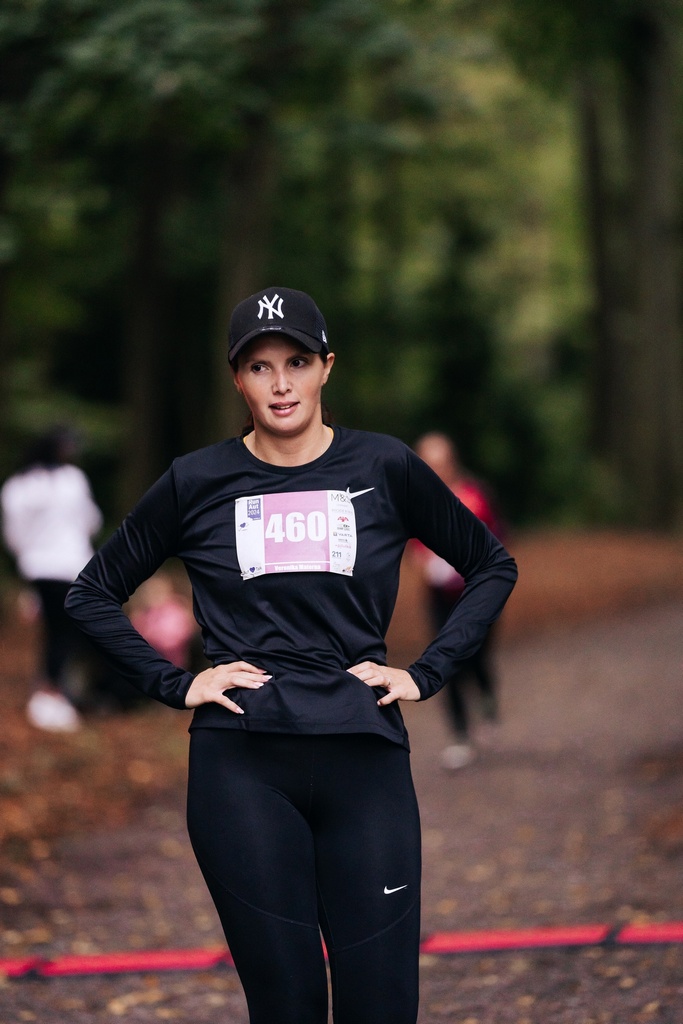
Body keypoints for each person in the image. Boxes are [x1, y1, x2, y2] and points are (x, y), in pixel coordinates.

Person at [65, 287, 517, 1024]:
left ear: (326, 367)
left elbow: (491, 565)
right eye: (259, 366)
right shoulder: (195, 480)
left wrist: (425, 672)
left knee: (381, 1006)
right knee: (288, 1006)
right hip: (241, 770)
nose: (280, 384)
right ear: (236, 379)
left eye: (297, 362)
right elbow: (90, 594)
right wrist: (176, 684)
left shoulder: (385, 465)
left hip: (363, 760)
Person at [413, 431, 507, 770]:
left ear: (452, 463)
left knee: (478, 658)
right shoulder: (417, 502)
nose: (435, 470)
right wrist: (425, 562)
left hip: (478, 595)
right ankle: (460, 737)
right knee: (447, 661)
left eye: (440, 463)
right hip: (440, 598)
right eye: (428, 464)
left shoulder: (475, 496)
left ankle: (487, 700)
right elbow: (413, 545)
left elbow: (498, 540)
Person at [1, 425, 103, 732]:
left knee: (56, 630)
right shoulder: (72, 480)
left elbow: (13, 533)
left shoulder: (17, 486)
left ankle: (55, 688)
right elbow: (91, 521)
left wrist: (30, 553)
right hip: (71, 566)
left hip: (39, 567)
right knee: (67, 632)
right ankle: (54, 691)